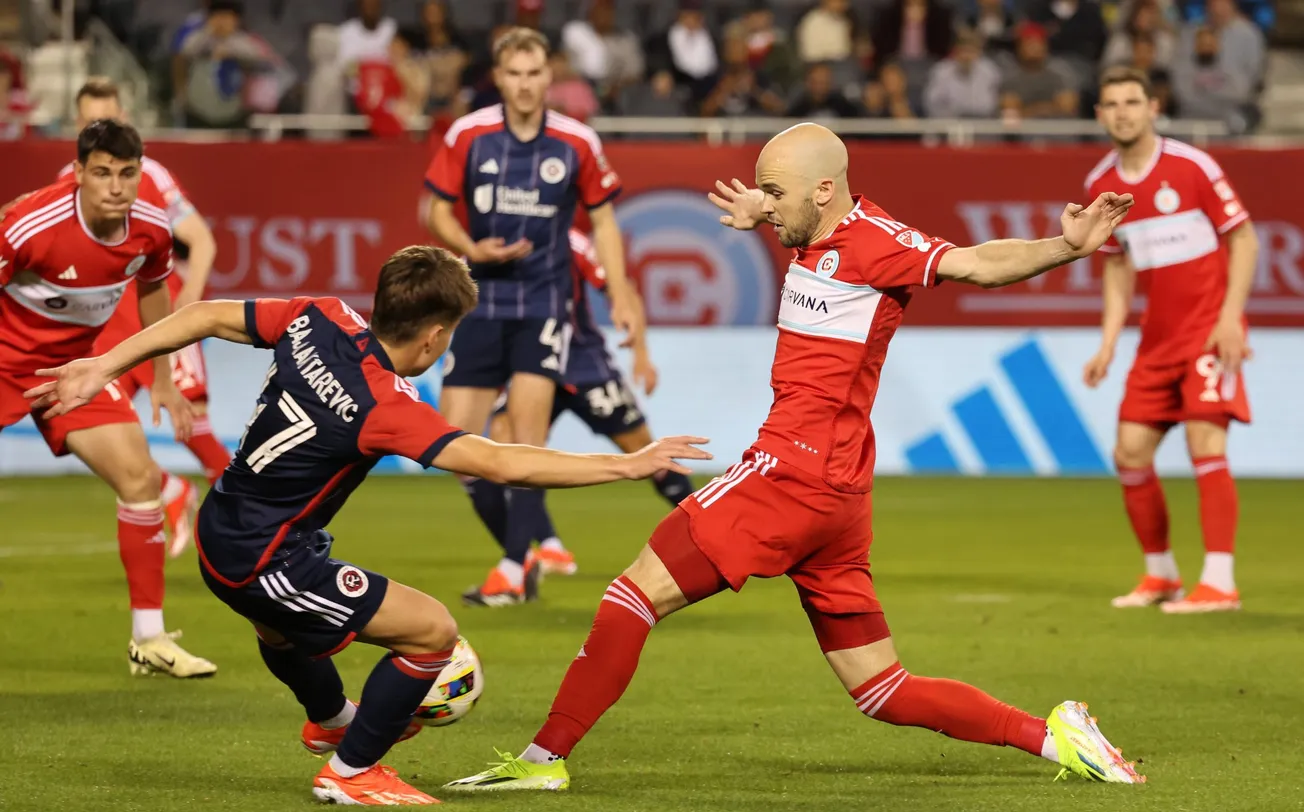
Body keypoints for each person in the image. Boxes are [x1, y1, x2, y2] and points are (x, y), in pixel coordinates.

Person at [444, 122, 1145, 791]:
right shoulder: (827, 231)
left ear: (821, 191)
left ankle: (543, 758)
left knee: (630, 596)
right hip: (839, 496)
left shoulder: (880, 243)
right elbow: (818, 245)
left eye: (775, 193)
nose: (766, 207)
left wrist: (1066, 246)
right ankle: (1055, 737)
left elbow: (978, 264)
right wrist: (763, 210)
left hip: (790, 471)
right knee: (882, 689)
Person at [25, 245, 709, 806]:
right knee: (433, 633)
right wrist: (627, 466)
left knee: (280, 627)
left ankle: (330, 724)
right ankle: (352, 770)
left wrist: (104, 366)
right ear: (436, 335)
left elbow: (203, 313)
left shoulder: (318, 318)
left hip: (220, 528)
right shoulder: (388, 404)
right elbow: (501, 461)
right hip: (265, 559)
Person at [424, 27, 643, 607]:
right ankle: (526, 553)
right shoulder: (469, 134)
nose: (525, 85)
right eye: (514, 74)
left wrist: (619, 293)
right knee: (454, 447)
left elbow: (603, 222)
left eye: (535, 73)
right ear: (499, 78)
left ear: (551, 76)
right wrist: (471, 248)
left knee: (526, 438)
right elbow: (434, 209)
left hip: (545, 302)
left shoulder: (577, 141)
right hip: (479, 298)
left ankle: (515, 569)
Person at [0, 120, 215, 677]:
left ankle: (149, 638)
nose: (116, 186)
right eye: (101, 173)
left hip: (72, 373)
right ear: (77, 175)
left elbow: (153, 291)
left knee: (141, 481)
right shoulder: (32, 225)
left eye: (127, 173)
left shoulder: (150, 229)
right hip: (4, 362)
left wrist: (163, 379)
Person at [1082, 67, 1258, 613]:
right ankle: (1161, 574)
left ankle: (1221, 582)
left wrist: (1232, 317)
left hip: (1208, 333)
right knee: (1129, 453)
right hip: (1155, 344)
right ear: (1099, 115)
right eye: (1112, 103)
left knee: (1206, 445)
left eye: (1133, 101)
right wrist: (1109, 341)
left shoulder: (1193, 166)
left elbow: (1245, 239)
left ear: (1154, 107)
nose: (1123, 112)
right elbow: (1116, 268)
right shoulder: (1099, 186)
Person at [58, 77, 226, 556]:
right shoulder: (66, 179)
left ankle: (253, 519)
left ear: (125, 117)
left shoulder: (149, 173)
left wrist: (190, 299)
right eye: (92, 121)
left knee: (189, 419)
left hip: (158, 308)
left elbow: (202, 238)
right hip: (107, 318)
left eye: (109, 118)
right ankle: (171, 489)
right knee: (79, 416)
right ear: (76, 124)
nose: (102, 128)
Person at [474, 229, 694, 581]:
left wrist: (641, 354)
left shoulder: (570, 241)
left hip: (584, 366)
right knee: (508, 441)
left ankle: (707, 524)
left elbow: (621, 290)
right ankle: (543, 549)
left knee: (645, 454)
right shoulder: (495, 242)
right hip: (532, 365)